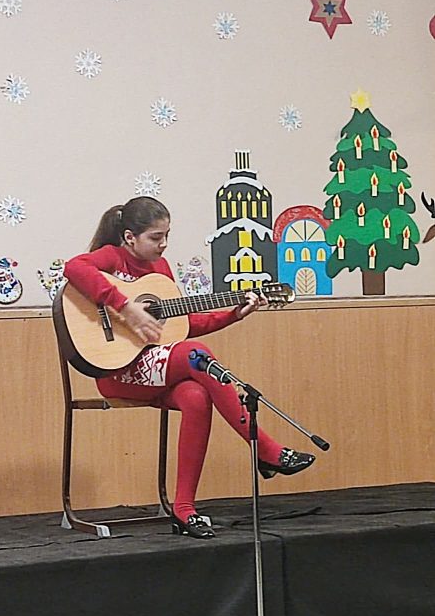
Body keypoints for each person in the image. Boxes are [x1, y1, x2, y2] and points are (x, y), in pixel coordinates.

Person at [64, 197, 315, 540]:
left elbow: (182, 327)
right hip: (117, 371)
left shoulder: (161, 269)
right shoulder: (112, 258)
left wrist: (233, 314)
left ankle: (184, 509)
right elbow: (74, 268)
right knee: (197, 354)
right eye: (155, 237)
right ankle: (266, 450)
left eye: (167, 235)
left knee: (196, 395)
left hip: (157, 367)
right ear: (129, 237)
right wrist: (126, 307)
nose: (164, 244)